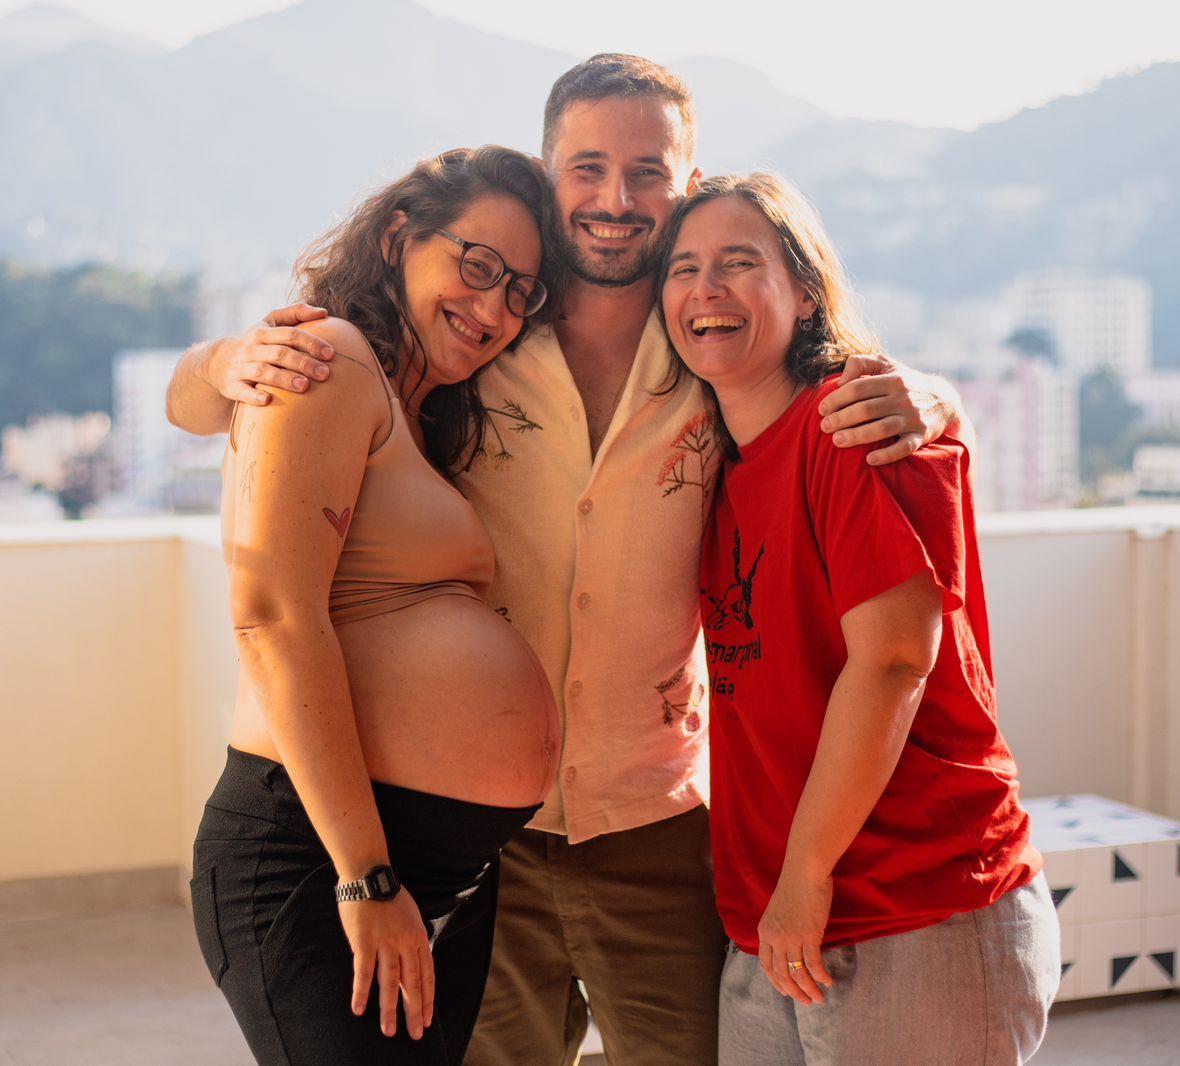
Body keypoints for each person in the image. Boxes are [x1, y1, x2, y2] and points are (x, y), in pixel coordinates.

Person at [169, 56, 965, 1065]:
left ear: (687, 181)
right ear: (551, 174)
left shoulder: (713, 348)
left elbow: (839, 373)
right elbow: (216, 410)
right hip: (481, 843)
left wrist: (932, 394)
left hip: (658, 824)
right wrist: (223, 360)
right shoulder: (478, 332)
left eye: (648, 170)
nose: (615, 198)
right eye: (587, 166)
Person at [660, 171, 1058, 1064]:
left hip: (916, 905)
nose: (704, 289)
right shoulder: (718, 464)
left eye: (737, 262)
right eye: (682, 269)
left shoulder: (854, 424)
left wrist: (803, 877)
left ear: (804, 291)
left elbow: (891, 665)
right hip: (777, 918)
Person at [189, 145, 567, 1066]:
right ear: (400, 234)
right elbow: (272, 615)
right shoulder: (327, 357)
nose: (493, 308)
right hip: (323, 861)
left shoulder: (415, 407)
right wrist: (365, 879)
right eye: (477, 266)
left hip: (436, 868)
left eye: (520, 290)